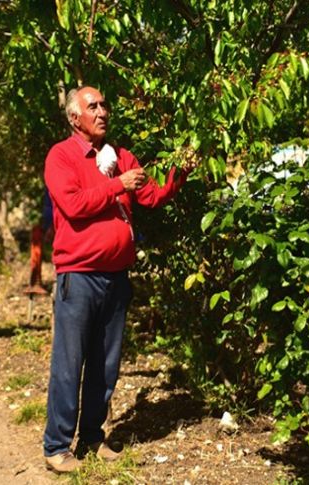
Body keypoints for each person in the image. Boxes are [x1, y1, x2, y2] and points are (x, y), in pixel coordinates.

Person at [42, 86, 196, 473]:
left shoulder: (121, 156)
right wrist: (117, 185)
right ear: (75, 117)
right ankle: (57, 447)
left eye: (105, 104)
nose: (102, 111)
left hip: (116, 277)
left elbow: (152, 197)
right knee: (69, 362)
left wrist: (182, 172)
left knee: (105, 365)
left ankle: (93, 437)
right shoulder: (61, 156)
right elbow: (73, 206)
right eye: (92, 106)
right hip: (78, 277)